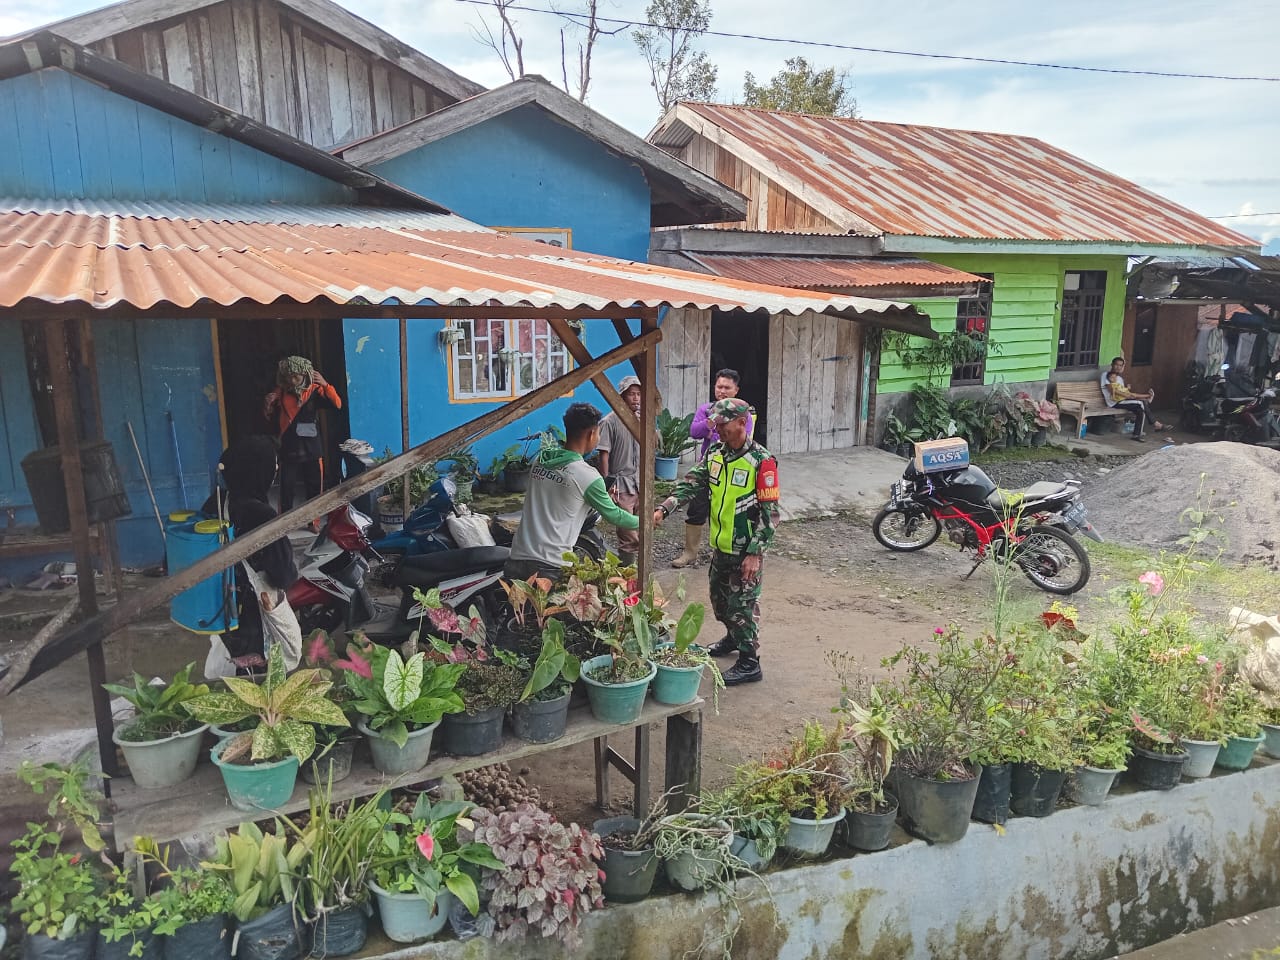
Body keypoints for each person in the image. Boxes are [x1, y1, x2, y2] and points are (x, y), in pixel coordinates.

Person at [654, 398, 777, 686]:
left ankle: (750, 662)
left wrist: (755, 554)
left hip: (745, 550)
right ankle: (734, 639)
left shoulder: (762, 461)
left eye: (722, 424)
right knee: (720, 603)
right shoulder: (715, 456)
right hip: (721, 547)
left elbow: (771, 515)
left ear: (740, 423)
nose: (717, 428)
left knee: (742, 607)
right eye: (715, 423)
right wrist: (664, 508)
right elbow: (690, 484)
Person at [506, 402, 641, 582]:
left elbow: (560, 494)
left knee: (516, 611)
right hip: (550, 566)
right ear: (592, 433)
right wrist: (646, 521)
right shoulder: (586, 475)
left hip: (516, 557)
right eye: (598, 432)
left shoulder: (540, 461)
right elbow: (615, 516)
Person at [202, 435, 300, 667]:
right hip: (256, 618)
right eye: (272, 463)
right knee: (262, 682)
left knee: (235, 672)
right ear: (257, 469)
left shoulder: (216, 503)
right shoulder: (261, 515)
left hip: (225, 610)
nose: (276, 469)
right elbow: (283, 575)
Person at [673, 369, 756, 569]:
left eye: (727, 387)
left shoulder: (744, 414)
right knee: (696, 509)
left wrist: (717, 428)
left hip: (732, 471)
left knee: (726, 511)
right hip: (708, 468)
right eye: (719, 386)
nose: (722, 391)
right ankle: (690, 553)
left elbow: (743, 436)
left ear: (736, 390)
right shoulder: (706, 409)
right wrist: (712, 423)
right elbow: (694, 431)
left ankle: (721, 552)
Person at [263, 356, 342, 515]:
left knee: (314, 487)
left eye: (296, 377)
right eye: (289, 377)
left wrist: (326, 385)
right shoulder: (281, 393)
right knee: (286, 487)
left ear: (305, 375)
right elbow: (268, 416)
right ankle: (283, 523)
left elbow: (337, 404)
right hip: (288, 447)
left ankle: (313, 520)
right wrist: (268, 404)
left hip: (312, 448)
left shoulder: (315, 390)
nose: (292, 381)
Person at [596, 375, 644, 567]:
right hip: (621, 483)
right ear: (622, 396)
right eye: (631, 394)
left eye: (639, 394)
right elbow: (604, 453)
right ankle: (627, 571)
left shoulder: (643, 419)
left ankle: (639, 570)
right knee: (628, 532)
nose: (636, 398)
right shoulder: (610, 421)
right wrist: (607, 482)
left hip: (640, 482)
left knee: (642, 527)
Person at [1102, 357, 1166, 442]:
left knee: (1140, 410)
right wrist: (1128, 395)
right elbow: (1113, 391)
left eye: (1120, 365)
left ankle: (1136, 435)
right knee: (1141, 403)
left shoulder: (1120, 379)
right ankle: (1155, 423)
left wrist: (1128, 393)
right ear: (1112, 365)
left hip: (1123, 400)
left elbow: (1123, 391)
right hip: (1114, 402)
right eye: (1116, 364)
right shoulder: (1106, 375)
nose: (1118, 367)